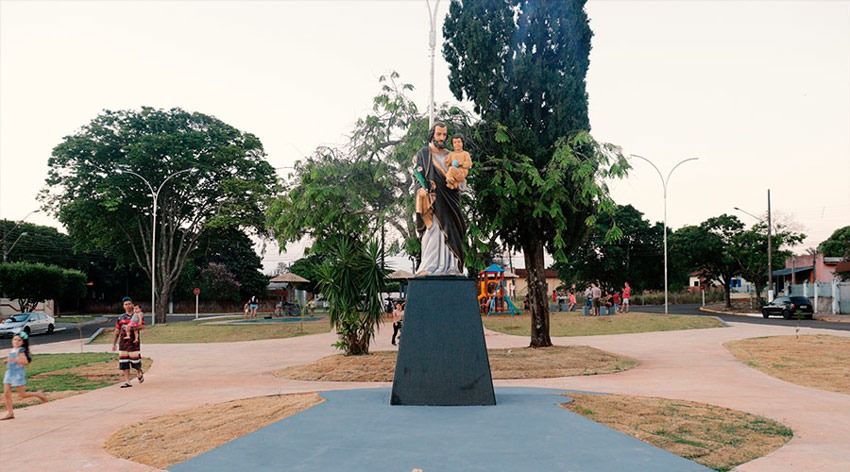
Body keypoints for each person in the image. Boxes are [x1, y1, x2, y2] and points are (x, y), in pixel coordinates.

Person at [413, 122, 467, 276]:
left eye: (444, 134)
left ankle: (452, 267)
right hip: (433, 200)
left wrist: (459, 178)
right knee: (433, 230)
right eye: (438, 134)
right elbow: (417, 177)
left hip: (450, 200)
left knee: (452, 231)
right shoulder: (423, 154)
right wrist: (421, 189)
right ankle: (428, 266)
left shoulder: (452, 156)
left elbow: (462, 180)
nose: (441, 138)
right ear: (432, 135)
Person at [2, 332, 48, 420]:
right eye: (15, 339)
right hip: (9, 373)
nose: (16, 341)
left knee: (22, 395)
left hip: (17, 374)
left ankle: (38, 394)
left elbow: (25, 362)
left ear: (23, 342)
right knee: (6, 393)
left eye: (19, 340)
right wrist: (8, 361)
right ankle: (10, 413)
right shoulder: (13, 349)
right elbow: (13, 360)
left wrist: (12, 360)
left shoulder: (21, 350)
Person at [112, 296, 144, 388]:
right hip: (123, 343)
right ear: (123, 306)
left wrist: (132, 328)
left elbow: (143, 326)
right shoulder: (121, 317)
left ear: (132, 305)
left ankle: (139, 371)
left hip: (133, 343)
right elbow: (117, 331)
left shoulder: (137, 315)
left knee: (135, 361)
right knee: (124, 362)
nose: (128, 306)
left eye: (129, 304)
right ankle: (127, 381)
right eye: (126, 304)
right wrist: (114, 343)